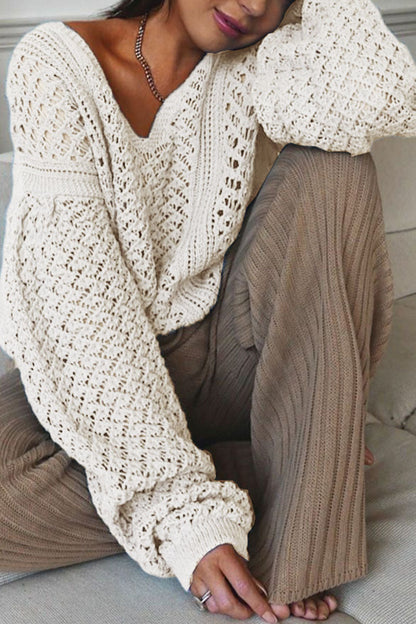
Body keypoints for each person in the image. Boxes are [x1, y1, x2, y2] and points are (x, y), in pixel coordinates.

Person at [0, 0, 415, 621]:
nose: (254, 6)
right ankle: (290, 456)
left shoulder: (266, 61)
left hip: (228, 353)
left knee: (333, 166)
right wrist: (186, 516)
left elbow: (381, 97)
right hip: (105, 361)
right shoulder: (55, 64)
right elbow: (81, 315)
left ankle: (304, 530)